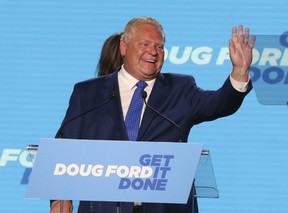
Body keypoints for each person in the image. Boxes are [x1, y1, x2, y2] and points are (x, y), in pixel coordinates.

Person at [50, 16, 256, 213]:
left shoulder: (180, 89)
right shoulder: (88, 93)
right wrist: (61, 201)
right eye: (145, 44)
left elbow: (219, 104)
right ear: (124, 47)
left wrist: (239, 72)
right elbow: (64, 148)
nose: (153, 52)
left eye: (160, 46)